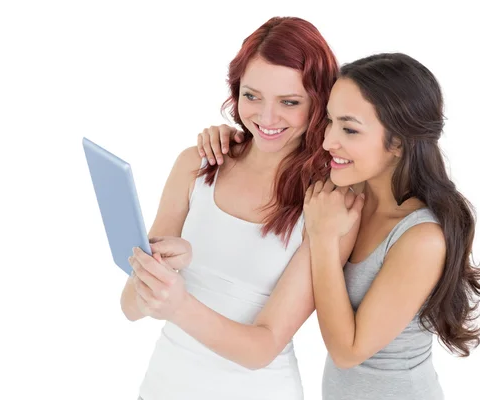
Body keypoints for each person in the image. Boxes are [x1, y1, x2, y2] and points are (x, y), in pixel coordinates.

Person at [197, 52, 480, 399]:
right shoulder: (346, 189)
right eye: (330, 121)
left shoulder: (421, 238)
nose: (328, 141)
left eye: (349, 129)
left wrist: (323, 240)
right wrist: (229, 138)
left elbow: (348, 351)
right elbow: (275, 149)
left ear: (397, 142)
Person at [121, 16, 359, 400]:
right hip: (160, 388)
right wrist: (163, 271)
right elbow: (130, 306)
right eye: (252, 96)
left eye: (290, 102)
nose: (266, 118)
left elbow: (262, 348)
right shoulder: (196, 164)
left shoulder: (329, 203)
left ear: (320, 102)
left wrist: (179, 303)